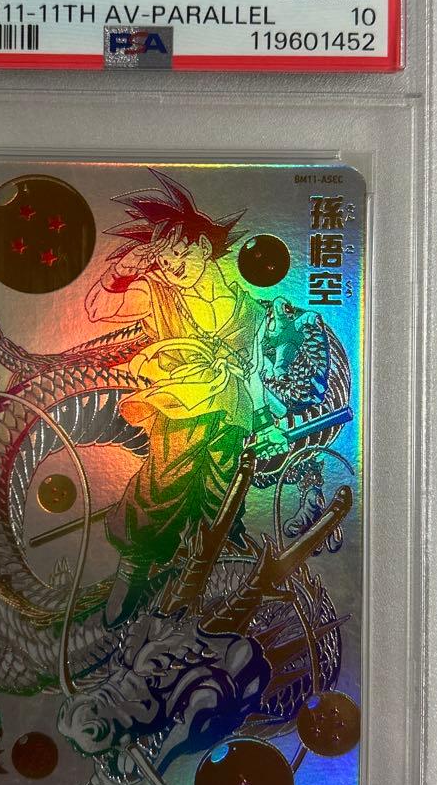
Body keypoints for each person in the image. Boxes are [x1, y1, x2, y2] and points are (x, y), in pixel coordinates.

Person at [84, 170, 288, 626]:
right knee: (163, 486)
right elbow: (96, 308)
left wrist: (265, 422)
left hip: (233, 412)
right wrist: (122, 272)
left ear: (203, 246)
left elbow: (253, 370)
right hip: (180, 407)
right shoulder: (157, 294)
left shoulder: (249, 308)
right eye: (162, 257)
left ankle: (205, 576)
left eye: (178, 250)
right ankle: (135, 567)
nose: (171, 264)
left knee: (223, 494)